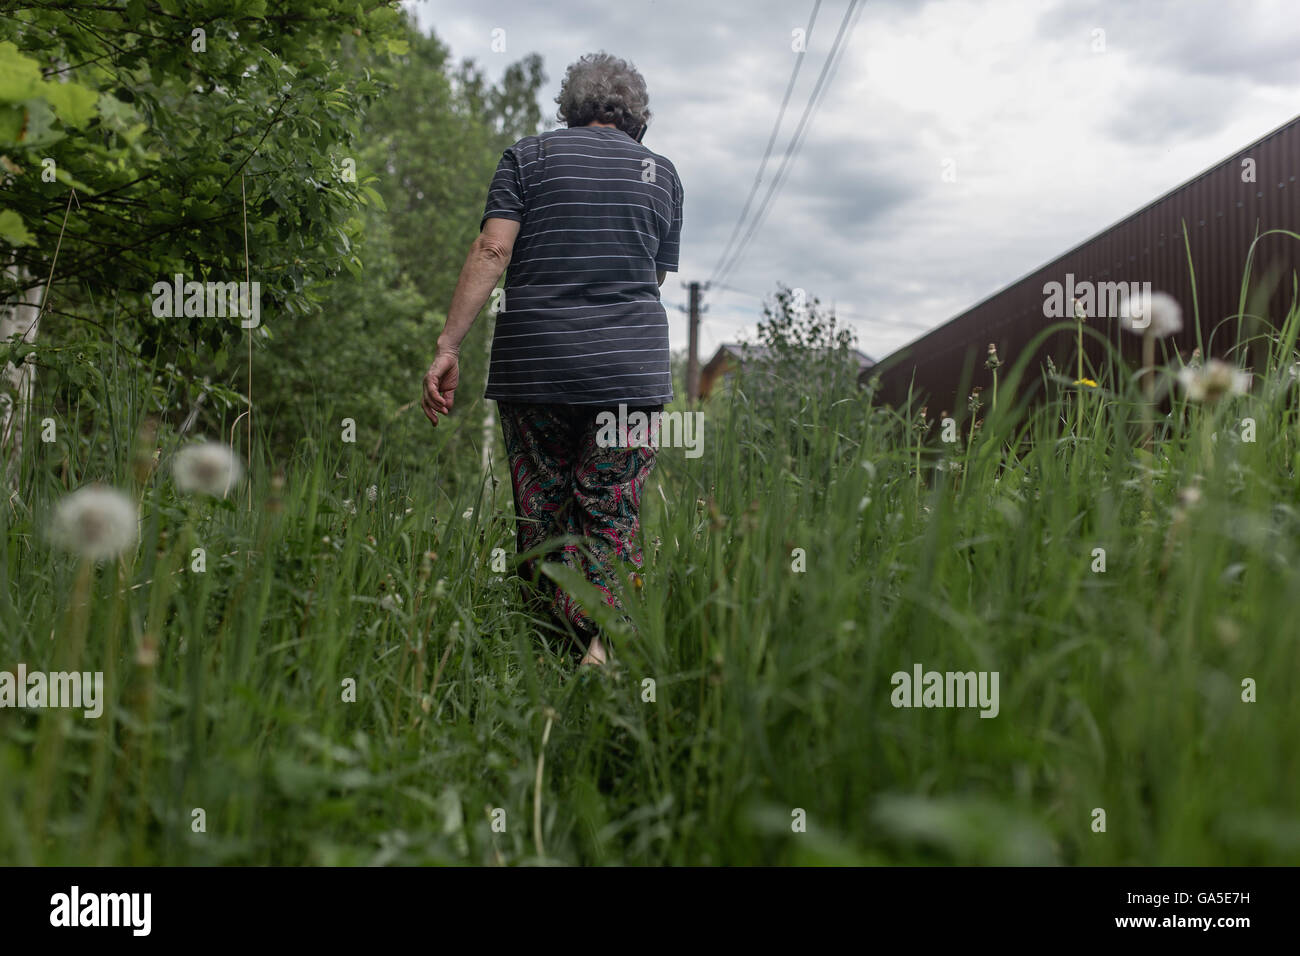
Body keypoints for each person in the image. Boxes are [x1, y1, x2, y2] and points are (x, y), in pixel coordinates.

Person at [422, 51, 684, 667]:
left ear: (569, 108)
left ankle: (547, 659)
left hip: (536, 364)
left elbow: (492, 249)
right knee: (611, 508)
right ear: (636, 117)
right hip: (631, 368)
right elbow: (657, 275)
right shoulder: (662, 174)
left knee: (542, 513)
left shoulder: (528, 157)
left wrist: (448, 346)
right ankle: (605, 645)